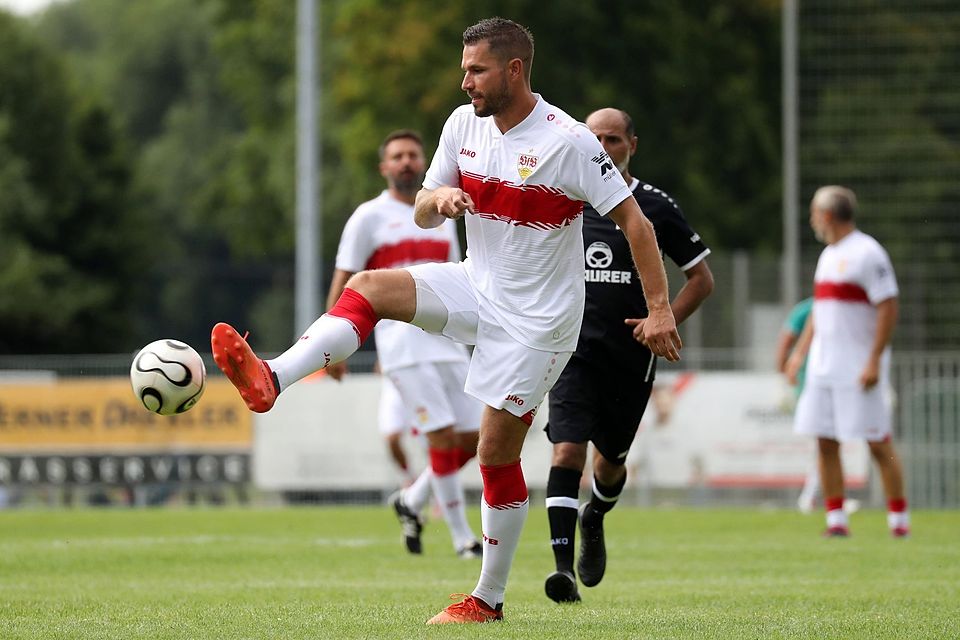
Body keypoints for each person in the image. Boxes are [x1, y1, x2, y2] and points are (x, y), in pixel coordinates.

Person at [210, 17, 681, 624]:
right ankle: (272, 377)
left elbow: (637, 226)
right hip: (477, 285)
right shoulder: (463, 125)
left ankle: (487, 599)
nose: (465, 82)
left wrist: (662, 308)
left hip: (539, 323)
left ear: (514, 69)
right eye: (463, 70)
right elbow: (429, 210)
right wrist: (443, 200)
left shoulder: (569, 141)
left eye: (476, 70)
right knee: (368, 286)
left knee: (492, 454)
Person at [542, 107, 713, 604]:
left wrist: (665, 321)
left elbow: (701, 279)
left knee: (610, 463)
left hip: (629, 358)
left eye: (613, 139)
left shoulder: (654, 205)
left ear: (632, 145)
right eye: (593, 138)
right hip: (570, 348)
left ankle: (594, 516)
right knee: (566, 450)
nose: (603, 146)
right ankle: (561, 572)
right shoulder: (563, 198)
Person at [324, 129, 484, 559]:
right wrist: (331, 341)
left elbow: (456, 274)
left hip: (446, 337)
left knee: (476, 437)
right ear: (385, 167)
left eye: (413, 155)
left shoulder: (439, 214)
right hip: (401, 342)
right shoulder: (368, 217)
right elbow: (346, 278)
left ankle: (411, 499)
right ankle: (461, 538)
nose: (406, 162)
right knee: (443, 434)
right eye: (397, 156)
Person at [785, 185, 909, 538]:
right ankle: (836, 520)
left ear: (826, 216)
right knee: (824, 440)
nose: (812, 220)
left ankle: (899, 522)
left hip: (858, 367)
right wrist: (800, 353)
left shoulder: (868, 253)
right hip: (824, 367)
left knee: (877, 441)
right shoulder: (828, 256)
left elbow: (888, 306)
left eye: (813, 213)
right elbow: (819, 311)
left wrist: (874, 360)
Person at [776, 297, 820, 513]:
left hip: (831, 380)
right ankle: (811, 495)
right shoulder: (807, 309)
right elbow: (786, 340)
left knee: (825, 441)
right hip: (809, 381)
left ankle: (814, 495)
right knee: (823, 440)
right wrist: (782, 372)